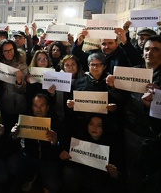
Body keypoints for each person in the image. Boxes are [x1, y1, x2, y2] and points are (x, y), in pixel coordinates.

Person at [106, 35, 161, 193]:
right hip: (132, 129)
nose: (149, 53)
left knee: (153, 175)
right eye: (147, 49)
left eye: (155, 49)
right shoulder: (135, 71)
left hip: (154, 135)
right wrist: (114, 87)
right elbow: (123, 98)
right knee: (132, 170)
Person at [10, 94, 63, 193]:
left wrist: (56, 142)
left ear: (47, 107)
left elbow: (62, 146)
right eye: (35, 105)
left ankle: (38, 180)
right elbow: (15, 143)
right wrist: (14, 136)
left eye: (42, 105)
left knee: (54, 186)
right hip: (30, 156)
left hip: (48, 160)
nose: (38, 109)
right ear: (32, 107)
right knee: (13, 165)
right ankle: (31, 177)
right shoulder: (25, 119)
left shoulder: (57, 121)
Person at [60, 114, 125, 193]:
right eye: (91, 124)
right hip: (83, 180)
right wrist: (65, 157)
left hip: (102, 183)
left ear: (104, 127)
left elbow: (120, 175)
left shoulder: (112, 144)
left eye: (99, 125)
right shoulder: (80, 139)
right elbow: (72, 163)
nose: (94, 128)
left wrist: (114, 174)